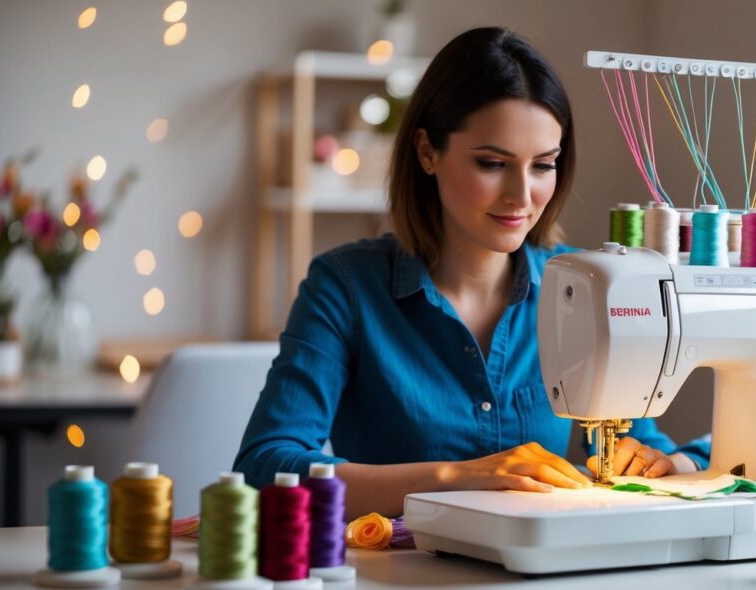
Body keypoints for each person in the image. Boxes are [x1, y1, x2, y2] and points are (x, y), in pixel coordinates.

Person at [234, 27, 710, 519]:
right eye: (491, 163)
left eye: (543, 165)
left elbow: (668, 451)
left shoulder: (586, 289)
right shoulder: (345, 287)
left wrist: (664, 462)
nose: (521, 196)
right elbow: (266, 466)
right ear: (427, 152)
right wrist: (458, 476)